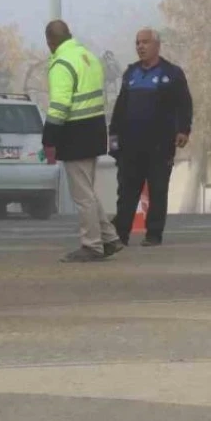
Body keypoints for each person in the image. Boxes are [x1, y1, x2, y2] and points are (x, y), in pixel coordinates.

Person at [42, 20, 123, 262]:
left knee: (82, 195)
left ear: (50, 42)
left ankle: (92, 245)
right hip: (94, 128)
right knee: (88, 190)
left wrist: (49, 140)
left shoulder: (61, 63)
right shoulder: (88, 57)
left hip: (75, 133)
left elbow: (59, 106)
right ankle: (109, 238)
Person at [109, 27, 193, 247]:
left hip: (160, 144)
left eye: (145, 42)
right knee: (127, 191)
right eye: (137, 43)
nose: (140, 47)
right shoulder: (131, 74)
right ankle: (121, 234)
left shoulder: (172, 74)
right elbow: (119, 109)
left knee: (157, 189)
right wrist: (113, 138)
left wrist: (184, 129)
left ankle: (153, 234)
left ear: (157, 45)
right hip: (130, 145)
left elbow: (184, 104)